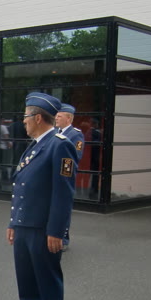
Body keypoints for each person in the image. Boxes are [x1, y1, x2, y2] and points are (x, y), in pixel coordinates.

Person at [5, 92, 76, 300]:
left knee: (48, 279)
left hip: (44, 229)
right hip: (24, 225)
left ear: (37, 118)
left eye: (26, 116)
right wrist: (14, 223)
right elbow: (22, 187)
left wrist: (57, 231)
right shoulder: (34, 145)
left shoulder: (60, 146)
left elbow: (63, 193)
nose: (23, 120)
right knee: (26, 278)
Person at [55, 104, 84, 251]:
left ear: (68, 118)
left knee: (63, 208)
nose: (56, 118)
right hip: (52, 177)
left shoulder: (75, 135)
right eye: (56, 116)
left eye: (59, 116)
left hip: (64, 177)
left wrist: (63, 176)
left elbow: (74, 158)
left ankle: (64, 239)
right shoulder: (54, 132)